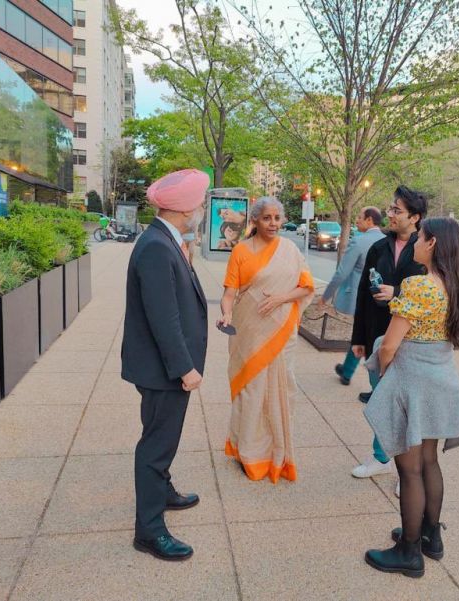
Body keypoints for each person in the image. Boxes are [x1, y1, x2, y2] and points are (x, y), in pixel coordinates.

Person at [362, 217, 459, 578]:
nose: (414, 240)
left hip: (414, 381)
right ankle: (430, 537)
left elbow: (391, 346)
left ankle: (408, 551)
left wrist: (382, 376)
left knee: (408, 467)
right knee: (428, 461)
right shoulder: (455, 285)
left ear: (431, 244)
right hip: (442, 379)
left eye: (420, 236)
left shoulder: (417, 286)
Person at [121, 168, 210, 562]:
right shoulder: (157, 246)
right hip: (164, 371)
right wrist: (184, 368)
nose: (203, 208)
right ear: (185, 208)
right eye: (201, 202)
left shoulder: (166, 239)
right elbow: (163, 317)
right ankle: (150, 530)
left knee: (162, 438)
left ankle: (164, 491)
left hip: (164, 368)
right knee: (156, 446)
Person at [218, 197, 315, 482]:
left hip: (282, 331)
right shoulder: (240, 251)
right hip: (248, 331)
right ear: (255, 221)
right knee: (250, 391)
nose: (273, 223)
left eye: (277, 218)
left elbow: (306, 287)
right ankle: (247, 452)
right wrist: (226, 314)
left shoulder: (290, 250)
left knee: (281, 390)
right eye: (267, 218)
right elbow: (229, 293)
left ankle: (277, 453)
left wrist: (280, 299)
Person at [349, 186, 427, 480]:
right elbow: (361, 292)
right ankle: (380, 457)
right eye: (391, 209)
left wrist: (396, 292)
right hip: (376, 335)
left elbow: (433, 290)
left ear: (415, 217)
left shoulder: (426, 247)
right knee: (381, 402)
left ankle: (408, 474)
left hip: (410, 339)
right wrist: (358, 338)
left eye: (397, 210)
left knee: (407, 408)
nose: (390, 215)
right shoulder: (378, 247)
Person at [318, 206, 385, 385]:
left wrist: (326, 295)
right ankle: (347, 371)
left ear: (370, 220)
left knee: (367, 339)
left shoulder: (359, 241)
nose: (356, 220)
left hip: (361, 297)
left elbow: (342, 272)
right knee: (363, 334)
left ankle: (375, 386)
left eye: (360, 217)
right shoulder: (388, 241)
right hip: (382, 298)